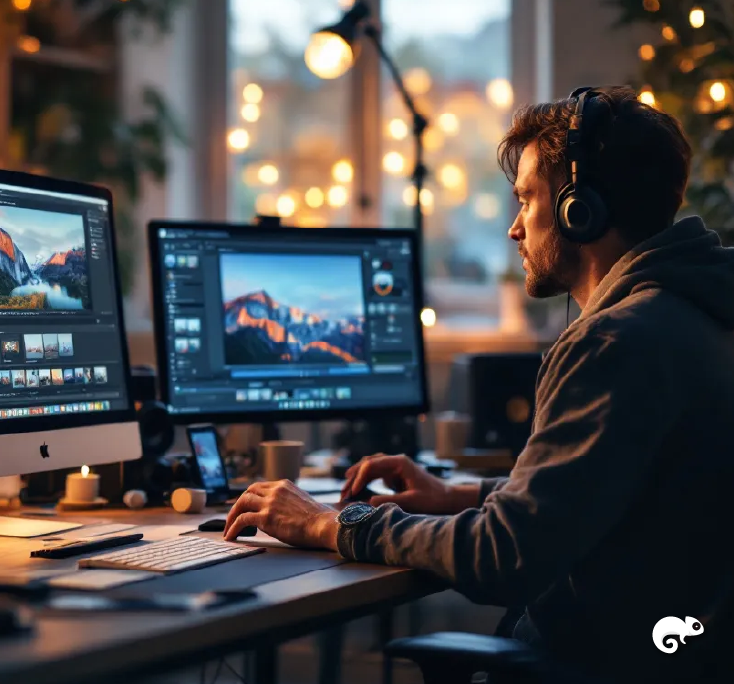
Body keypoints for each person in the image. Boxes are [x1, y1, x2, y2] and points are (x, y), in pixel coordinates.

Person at [224, 86, 734, 683]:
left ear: (580, 208)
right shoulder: (698, 312)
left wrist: (328, 522)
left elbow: (505, 556)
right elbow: (603, 499)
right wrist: (459, 496)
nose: (515, 229)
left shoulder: (616, 343)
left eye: (526, 200)